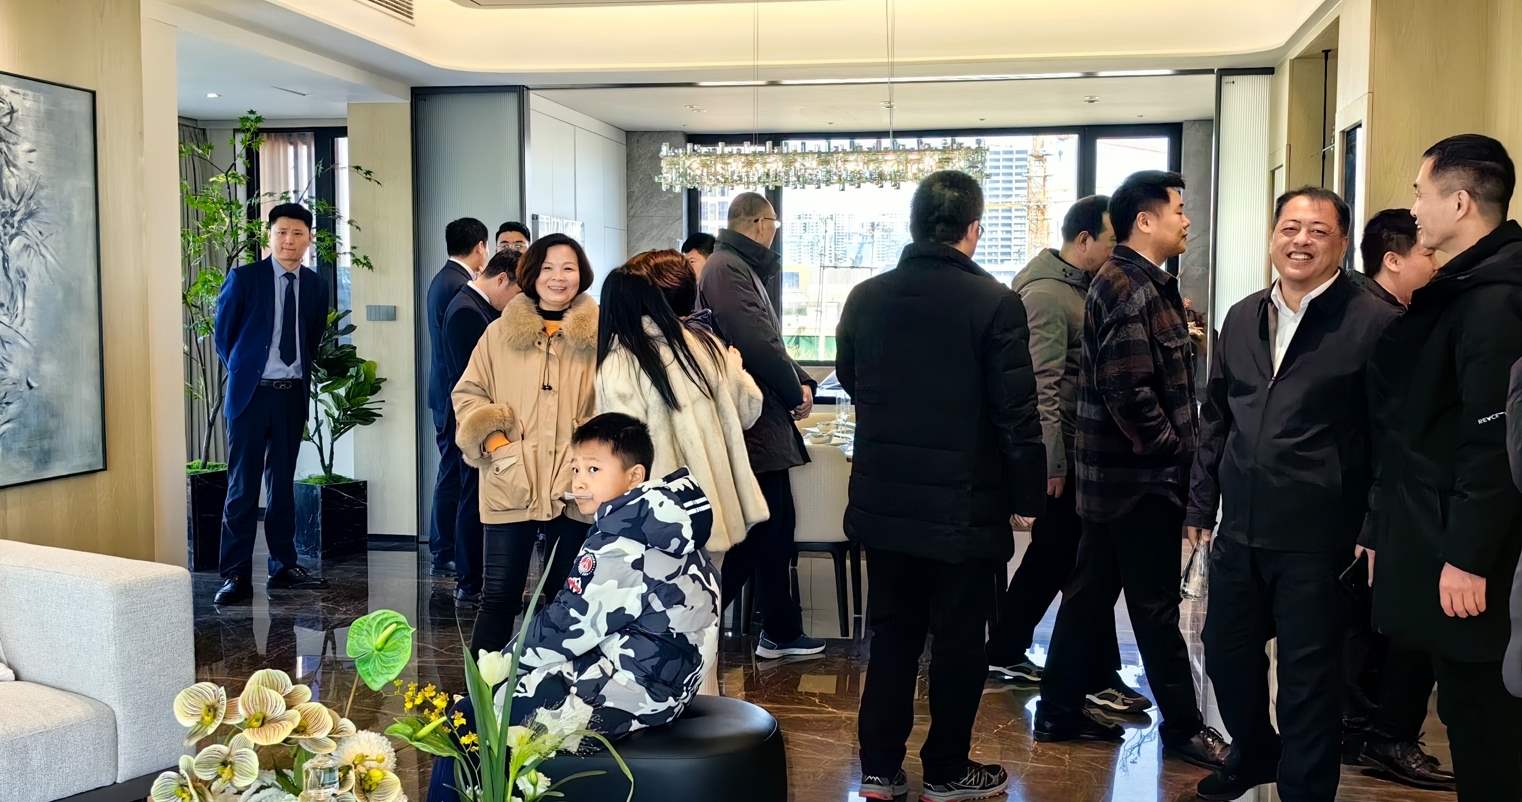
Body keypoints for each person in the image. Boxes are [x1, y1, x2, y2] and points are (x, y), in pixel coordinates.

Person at [837, 170, 1045, 802]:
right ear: (973, 229)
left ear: (913, 224)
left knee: (891, 636)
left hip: (886, 504)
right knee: (959, 643)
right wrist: (1028, 498)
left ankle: (879, 769)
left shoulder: (865, 298)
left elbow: (851, 379)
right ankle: (947, 769)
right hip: (965, 506)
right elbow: (1017, 413)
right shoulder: (994, 303)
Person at [1186, 187, 1399, 801]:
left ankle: (1306, 789)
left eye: (1318, 231)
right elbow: (1217, 416)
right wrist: (1200, 502)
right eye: (1289, 227)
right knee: (1225, 652)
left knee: (1309, 680)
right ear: (1273, 235)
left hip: (1320, 535)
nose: (1300, 240)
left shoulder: (1375, 322)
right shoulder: (1242, 316)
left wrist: (1375, 524)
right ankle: (1256, 752)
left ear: (1342, 243)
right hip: (1240, 527)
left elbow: (1392, 438)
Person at [1035, 171, 1228, 770]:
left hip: (1119, 482)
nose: (1186, 220)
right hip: (1138, 483)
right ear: (1145, 221)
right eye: (1178, 209)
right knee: (1154, 607)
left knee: (1089, 596)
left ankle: (1057, 712)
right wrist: (1173, 450)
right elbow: (1127, 390)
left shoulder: (1140, 282)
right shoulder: (1127, 286)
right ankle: (1184, 728)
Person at [424, 413, 720, 802]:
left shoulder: (621, 543)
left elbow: (566, 626)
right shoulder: (662, 524)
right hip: (665, 681)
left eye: (594, 469)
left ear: (634, 476)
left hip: (634, 691)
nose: (579, 481)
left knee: (468, 717)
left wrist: (498, 668)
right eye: (576, 468)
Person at [1367, 133, 1522, 801]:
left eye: (1420, 193)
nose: (1413, 208)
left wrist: (1467, 557)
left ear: (1459, 203)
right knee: (1466, 710)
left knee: (1485, 721)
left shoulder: (1496, 298)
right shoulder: (1468, 284)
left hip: (1474, 557)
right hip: (1439, 531)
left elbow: (1495, 443)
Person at [986, 195, 1147, 716]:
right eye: (1111, 240)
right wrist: (1051, 463)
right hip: (1068, 459)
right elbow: (1043, 387)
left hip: (1081, 454)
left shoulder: (1077, 288)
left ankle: (1008, 649)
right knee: (1079, 567)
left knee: (1057, 561)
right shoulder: (1049, 296)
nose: (1117, 250)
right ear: (1083, 240)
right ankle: (1091, 676)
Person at [595, 250, 768, 694]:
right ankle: (707, 710)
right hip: (711, 513)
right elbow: (749, 410)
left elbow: (619, 456)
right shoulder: (706, 347)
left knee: (657, 636)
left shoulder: (622, 361)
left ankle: (674, 719)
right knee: (703, 626)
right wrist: (736, 367)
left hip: (656, 522)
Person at [1345, 209, 1454, 791]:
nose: (1434, 265)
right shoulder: (1385, 323)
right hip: (1380, 500)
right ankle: (1383, 735)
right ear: (1392, 260)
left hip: (1371, 498)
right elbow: (1388, 432)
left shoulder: (1369, 313)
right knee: (1391, 628)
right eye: (1426, 255)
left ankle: (1363, 731)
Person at [453, 232, 599, 655]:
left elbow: (617, 402)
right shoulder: (499, 333)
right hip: (509, 479)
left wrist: (590, 456)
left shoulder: (601, 336)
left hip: (574, 484)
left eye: (568, 268)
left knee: (568, 602)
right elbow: (468, 394)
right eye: (548, 268)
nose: (558, 277)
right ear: (531, 273)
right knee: (498, 598)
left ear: (582, 274)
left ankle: (557, 691)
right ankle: (483, 693)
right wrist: (499, 445)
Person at [697, 192, 824, 660]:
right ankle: (701, 627)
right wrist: (794, 391)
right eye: (774, 223)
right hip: (752, 422)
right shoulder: (727, 267)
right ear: (758, 223)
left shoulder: (735, 265)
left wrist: (801, 379)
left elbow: (769, 341)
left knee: (771, 531)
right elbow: (756, 342)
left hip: (760, 421)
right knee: (761, 532)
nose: (775, 232)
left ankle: (777, 628)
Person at [211, 203, 331, 604]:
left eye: (297, 233)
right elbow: (224, 338)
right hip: (250, 396)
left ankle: (283, 565)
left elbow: (311, 338)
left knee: (282, 486)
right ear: (269, 235)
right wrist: (247, 371)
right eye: (281, 232)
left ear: (309, 238)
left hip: (290, 396)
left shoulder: (315, 286)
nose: (288, 241)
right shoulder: (244, 279)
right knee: (242, 486)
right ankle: (234, 574)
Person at [439, 250, 522, 608]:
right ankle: (470, 582)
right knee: (472, 498)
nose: (517, 303)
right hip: (474, 423)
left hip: (482, 422)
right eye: (518, 292)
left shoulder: (474, 305)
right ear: (502, 279)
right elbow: (471, 381)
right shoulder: (467, 311)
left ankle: (474, 580)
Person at [427, 217, 490, 577]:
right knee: (453, 472)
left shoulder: (443, 279)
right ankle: (444, 548)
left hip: (444, 391)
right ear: (480, 246)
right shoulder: (459, 286)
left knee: (451, 469)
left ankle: (444, 546)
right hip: (454, 395)